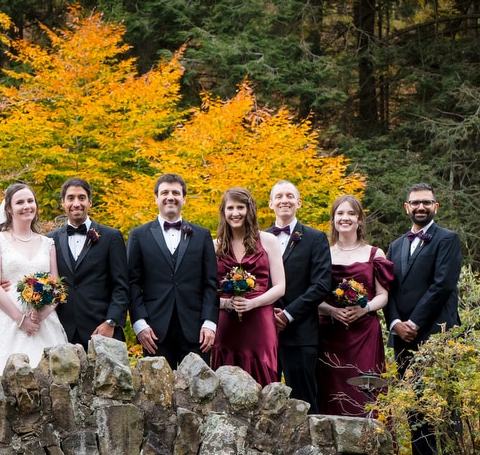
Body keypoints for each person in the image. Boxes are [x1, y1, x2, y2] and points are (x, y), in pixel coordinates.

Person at [388, 183, 462, 455]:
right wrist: (395, 323)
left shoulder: (447, 239)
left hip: (435, 332)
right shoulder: (395, 246)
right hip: (402, 337)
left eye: (426, 202)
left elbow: (442, 285)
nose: (421, 207)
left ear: (435, 206)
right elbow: (390, 289)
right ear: (406, 207)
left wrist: (414, 323)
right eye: (415, 203)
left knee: (442, 398)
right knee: (414, 402)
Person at [0, 183, 67, 373]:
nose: (26, 206)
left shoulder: (48, 243)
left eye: (30, 201)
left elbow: (57, 287)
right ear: (9, 208)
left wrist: (41, 315)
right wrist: (21, 320)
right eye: (20, 202)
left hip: (44, 321)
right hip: (8, 317)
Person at [127, 174, 219, 368]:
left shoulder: (201, 235)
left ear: (184, 198)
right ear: (156, 198)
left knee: (199, 394)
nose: (170, 197)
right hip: (153, 332)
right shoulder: (138, 235)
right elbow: (132, 283)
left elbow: (211, 283)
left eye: (176, 192)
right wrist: (139, 324)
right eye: (165, 192)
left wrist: (210, 323)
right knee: (156, 395)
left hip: (197, 332)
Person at [316, 195, 393, 416]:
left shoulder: (374, 253)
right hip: (330, 333)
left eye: (351, 213)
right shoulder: (324, 254)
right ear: (333, 220)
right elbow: (315, 297)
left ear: (359, 220)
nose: (345, 218)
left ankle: (370, 442)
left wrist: (365, 308)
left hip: (365, 333)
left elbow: (382, 296)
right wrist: (332, 311)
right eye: (340, 213)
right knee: (332, 389)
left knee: (364, 389)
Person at [267, 180, 332, 414]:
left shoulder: (315, 238)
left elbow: (322, 284)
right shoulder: (259, 238)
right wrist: (269, 313)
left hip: (301, 332)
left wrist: (288, 314)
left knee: (304, 402)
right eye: (279, 196)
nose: (285, 200)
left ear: (299, 202)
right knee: (266, 401)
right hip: (264, 333)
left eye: (290, 196)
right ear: (271, 203)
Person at [211, 187, 286, 383]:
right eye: (230, 208)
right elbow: (204, 291)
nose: (235, 213)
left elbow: (280, 286)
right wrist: (226, 304)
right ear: (223, 212)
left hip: (260, 321)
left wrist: (253, 303)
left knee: (262, 377)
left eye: (240, 207)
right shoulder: (214, 245)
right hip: (226, 324)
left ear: (249, 210)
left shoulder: (268, 241)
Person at [49, 178, 129, 346]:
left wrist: (111, 322)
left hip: (102, 332)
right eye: (71, 198)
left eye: (81, 198)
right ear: (63, 203)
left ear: (90, 202)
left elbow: (121, 286)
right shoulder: (49, 240)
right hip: (61, 333)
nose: (76, 203)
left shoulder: (111, 237)